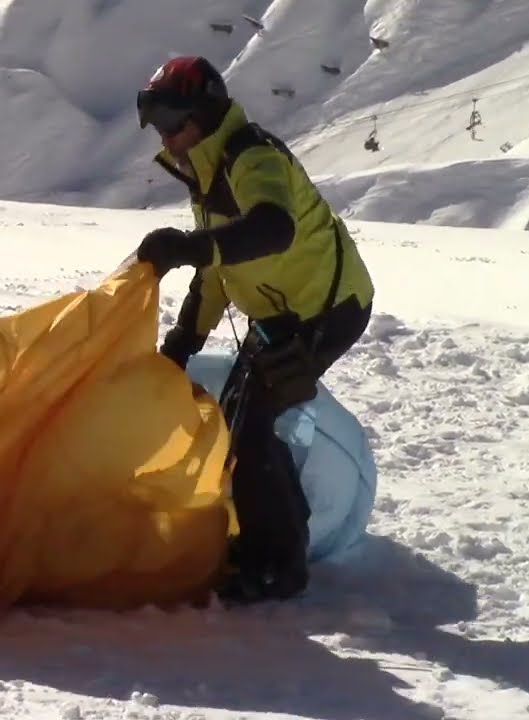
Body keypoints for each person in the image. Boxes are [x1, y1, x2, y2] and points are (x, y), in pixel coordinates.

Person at [133, 55, 375, 604]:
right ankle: (266, 533)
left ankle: (278, 568)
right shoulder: (207, 172)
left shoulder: (250, 155)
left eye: (175, 123)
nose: (168, 139)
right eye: (161, 127)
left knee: (253, 426)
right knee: (237, 415)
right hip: (280, 314)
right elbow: (218, 274)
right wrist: (178, 349)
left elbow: (272, 228)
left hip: (327, 310)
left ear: (207, 113)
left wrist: (192, 247)